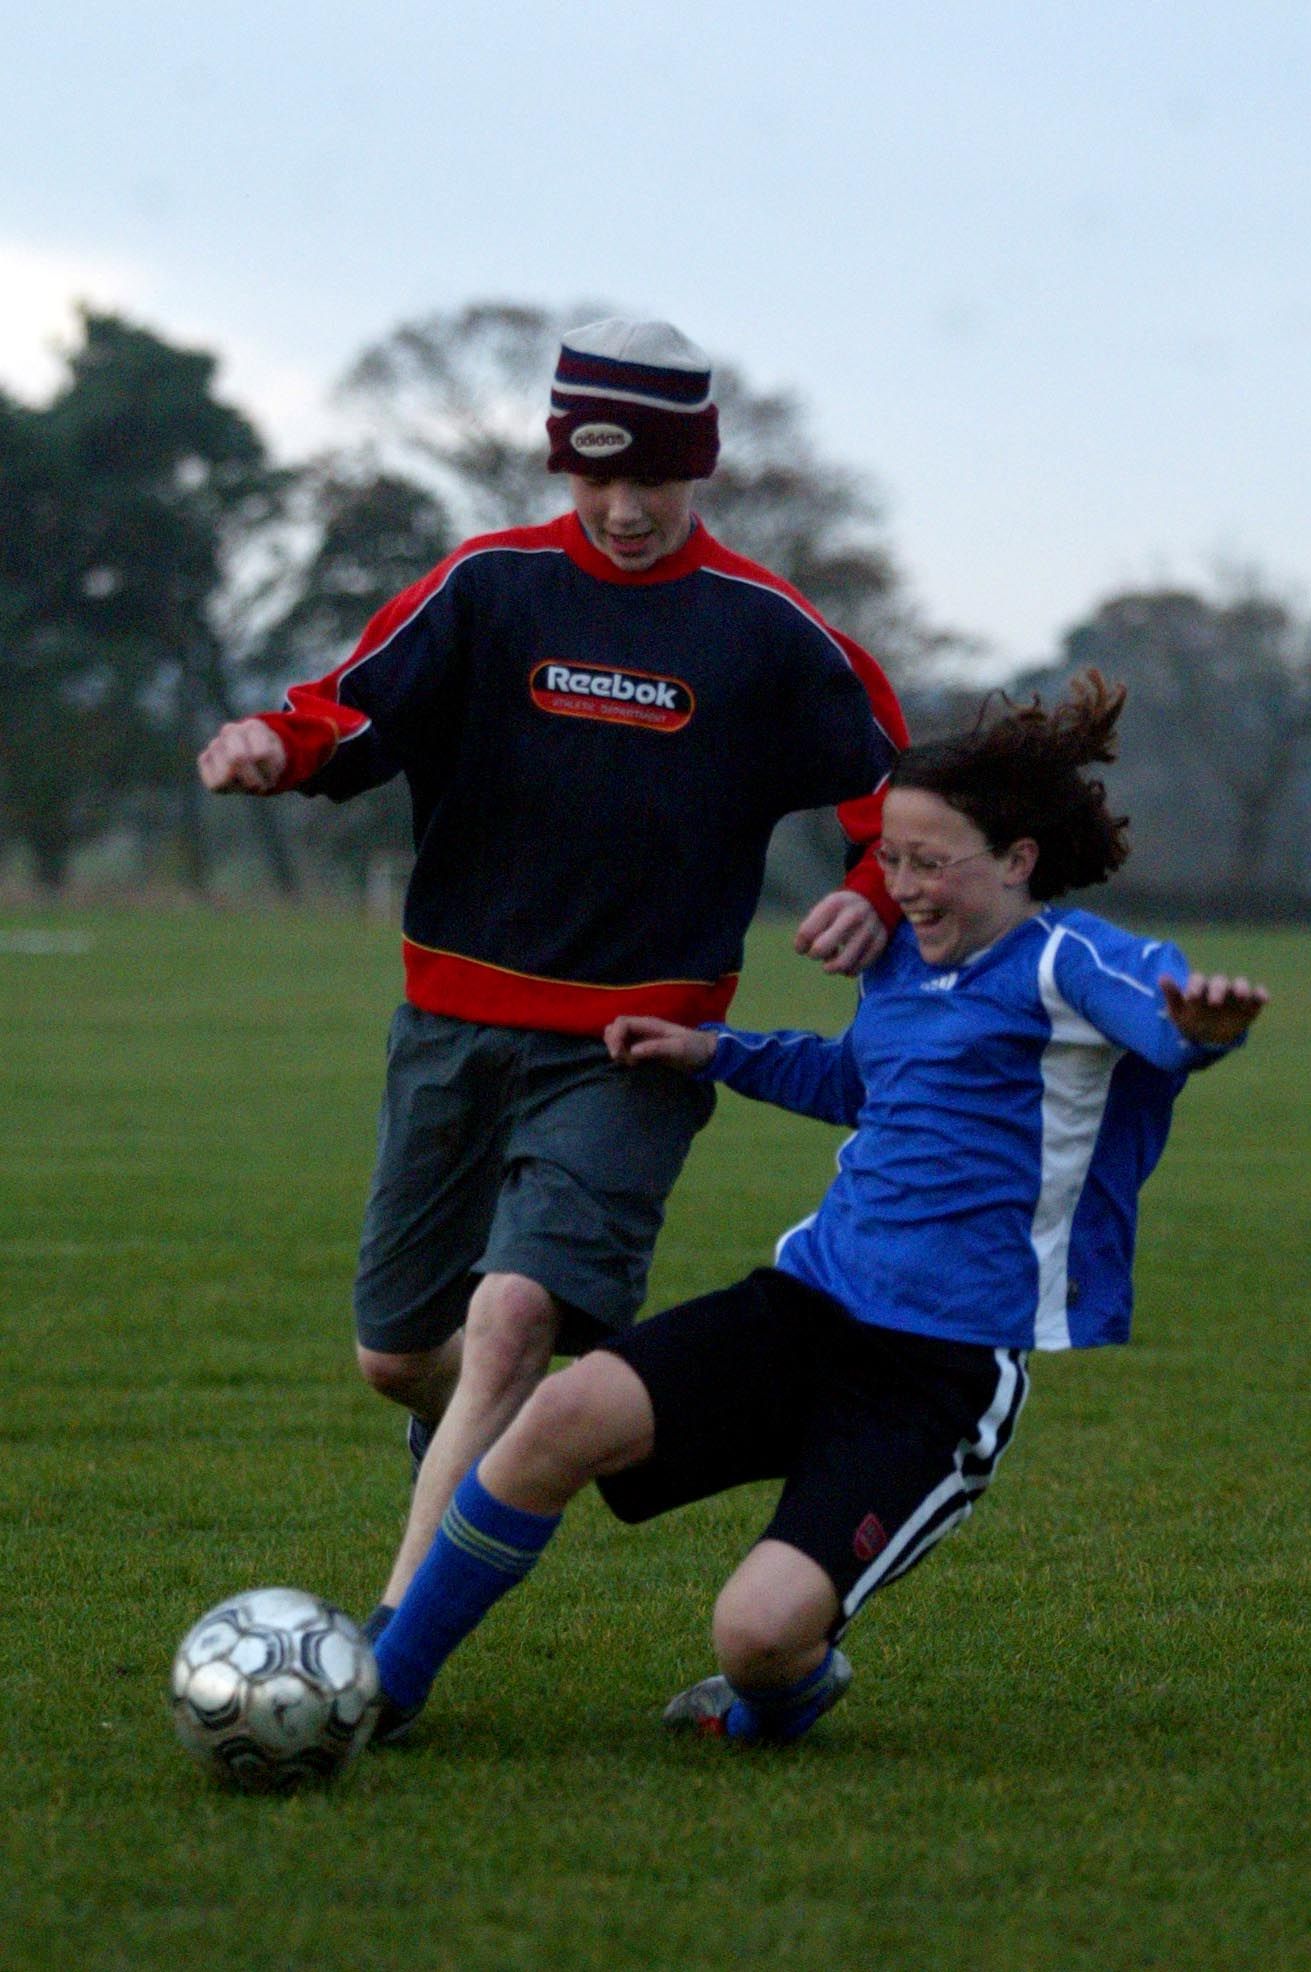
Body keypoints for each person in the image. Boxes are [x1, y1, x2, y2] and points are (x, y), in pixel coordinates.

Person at [363, 670, 1267, 1746]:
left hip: (935, 1373)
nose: (903, 885)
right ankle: (379, 1688)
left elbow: (1168, 1028)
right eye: (890, 857)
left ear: (1018, 861)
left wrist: (1206, 1028)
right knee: (554, 1418)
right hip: (804, 1304)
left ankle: (774, 1705)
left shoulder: (1072, 960)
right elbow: (859, 1078)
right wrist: (714, 1051)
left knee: (755, 1635)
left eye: (930, 862)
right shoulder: (899, 961)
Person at [196, 318, 908, 1626]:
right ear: (559, 468)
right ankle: (492, 1443)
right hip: (449, 1030)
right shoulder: (487, 587)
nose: (623, 510)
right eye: (594, 480)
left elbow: (890, 781)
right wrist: (268, 745)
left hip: (637, 1044)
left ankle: (388, 1654)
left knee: (513, 1315)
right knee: (397, 1354)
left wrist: (870, 890)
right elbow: (346, 706)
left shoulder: (761, 629)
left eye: (652, 481)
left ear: (697, 471)